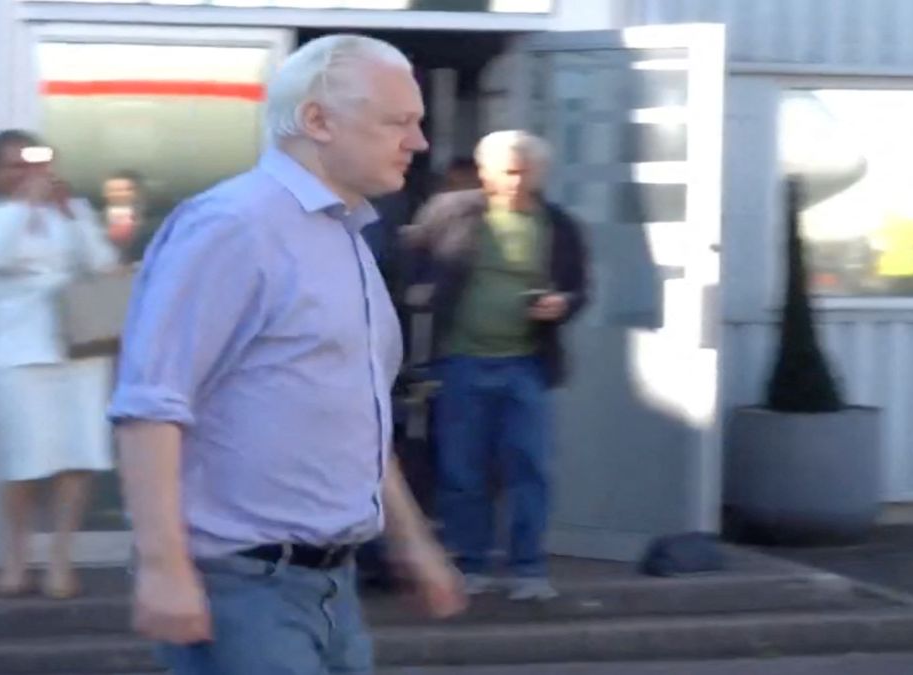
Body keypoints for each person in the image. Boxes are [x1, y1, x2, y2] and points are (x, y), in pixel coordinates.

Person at [107, 34, 466, 674]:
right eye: (398, 122)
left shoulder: (347, 234)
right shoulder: (232, 227)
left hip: (332, 586)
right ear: (316, 120)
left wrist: (412, 542)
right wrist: (163, 568)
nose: (420, 143)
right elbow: (152, 404)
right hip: (243, 587)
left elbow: (354, 413)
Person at [404, 130, 590, 601]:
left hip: (526, 362)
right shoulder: (450, 212)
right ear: (485, 172)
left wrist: (562, 304)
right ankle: (471, 563)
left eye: (526, 171)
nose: (517, 179)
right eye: (508, 170)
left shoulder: (559, 225)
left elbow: (580, 288)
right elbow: (408, 259)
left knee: (530, 467)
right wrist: (420, 297)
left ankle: (528, 569)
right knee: (461, 469)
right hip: (461, 362)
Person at [0, 129, 120, 599]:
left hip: (78, 348)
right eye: (15, 165)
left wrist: (71, 215)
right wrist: (25, 206)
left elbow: (102, 263)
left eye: (35, 163)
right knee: (22, 459)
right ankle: (15, 559)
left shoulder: (72, 212)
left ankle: (60, 561)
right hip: (17, 351)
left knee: (78, 452)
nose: (29, 173)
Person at [101, 170, 152, 264]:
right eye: (114, 190)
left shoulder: (160, 228)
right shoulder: (94, 226)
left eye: (127, 190)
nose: (120, 195)